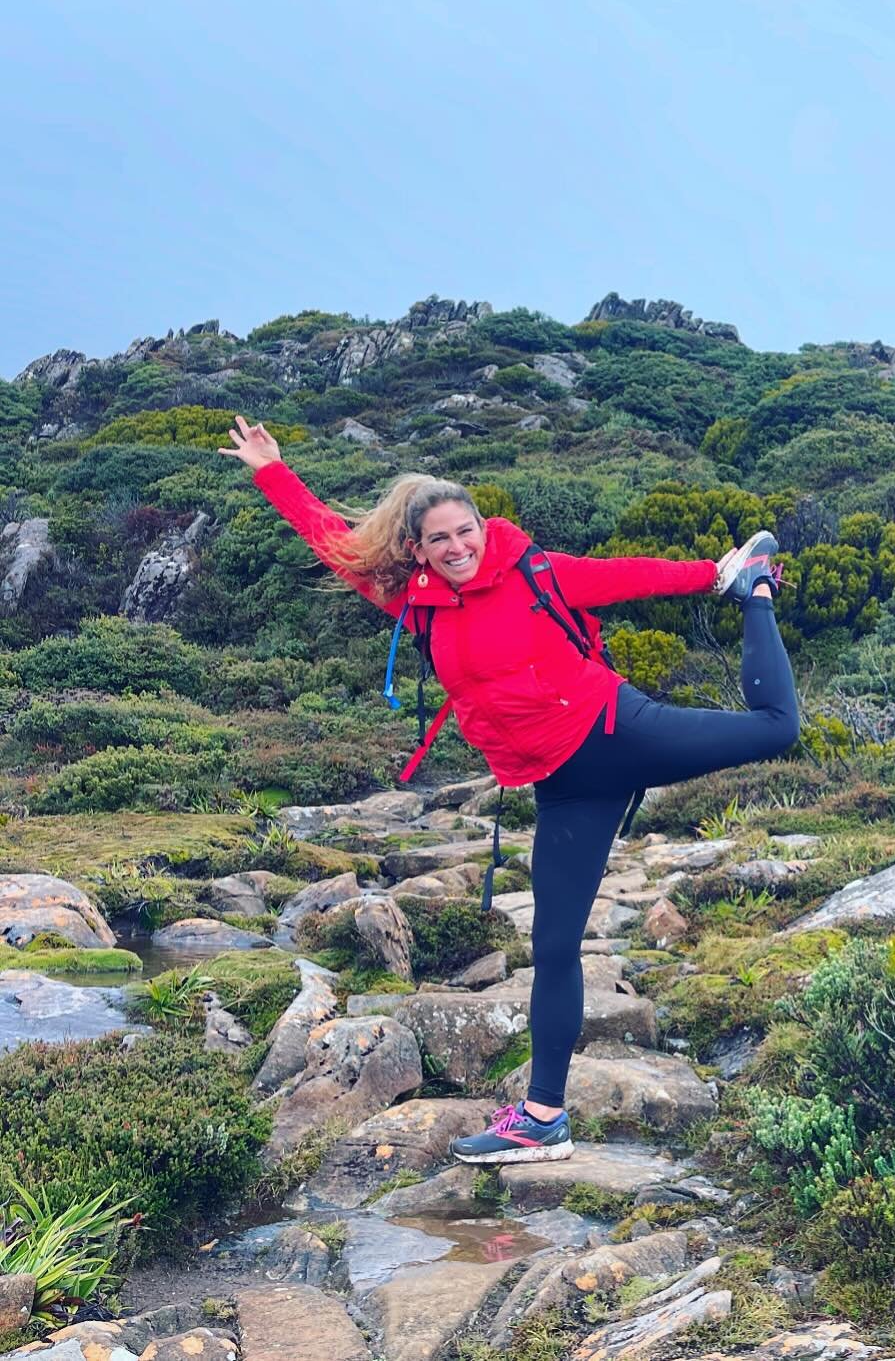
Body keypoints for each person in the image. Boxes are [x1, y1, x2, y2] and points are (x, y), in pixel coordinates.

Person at [221, 414, 798, 1163]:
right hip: (562, 788)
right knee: (552, 946)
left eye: (467, 531)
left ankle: (757, 592)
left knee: (775, 728)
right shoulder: (414, 605)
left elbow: (627, 575)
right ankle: (543, 1118)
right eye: (441, 539)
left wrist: (717, 576)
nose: (459, 547)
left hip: (620, 732)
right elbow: (331, 540)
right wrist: (272, 469)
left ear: (481, 528)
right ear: (416, 549)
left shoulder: (537, 570)